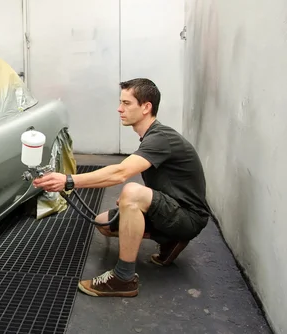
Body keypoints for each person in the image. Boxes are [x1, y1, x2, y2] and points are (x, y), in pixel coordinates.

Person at [32, 78, 209, 297]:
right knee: (103, 222)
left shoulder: (161, 138)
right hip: (175, 209)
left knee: (132, 192)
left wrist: (68, 180)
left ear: (146, 107)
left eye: (126, 103)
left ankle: (123, 278)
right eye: (120, 102)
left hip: (189, 217)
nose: (119, 109)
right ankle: (170, 238)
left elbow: (120, 173)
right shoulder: (152, 137)